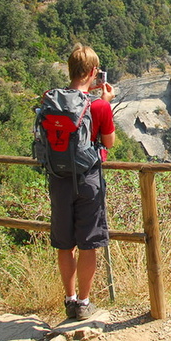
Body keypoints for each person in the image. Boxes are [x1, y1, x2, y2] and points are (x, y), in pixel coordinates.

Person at [48, 44, 115, 321]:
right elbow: (108, 143)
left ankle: (69, 298)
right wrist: (106, 103)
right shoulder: (98, 106)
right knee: (89, 243)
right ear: (92, 72)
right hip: (88, 180)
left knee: (65, 243)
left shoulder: (50, 100)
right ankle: (85, 303)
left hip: (58, 178)